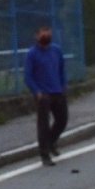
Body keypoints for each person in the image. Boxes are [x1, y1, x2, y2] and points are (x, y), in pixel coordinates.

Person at [24, 23, 67, 166]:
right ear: (36, 36)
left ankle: (51, 141)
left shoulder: (56, 51)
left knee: (62, 120)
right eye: (43, 33)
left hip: (57, 91)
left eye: (48, 32)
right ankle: (45, 155)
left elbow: (61, 70)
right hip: (43, 94)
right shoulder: (32, 54)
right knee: (43, 124)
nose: (46, 35)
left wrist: (63, 86)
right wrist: (36, 92)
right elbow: (28, 76)